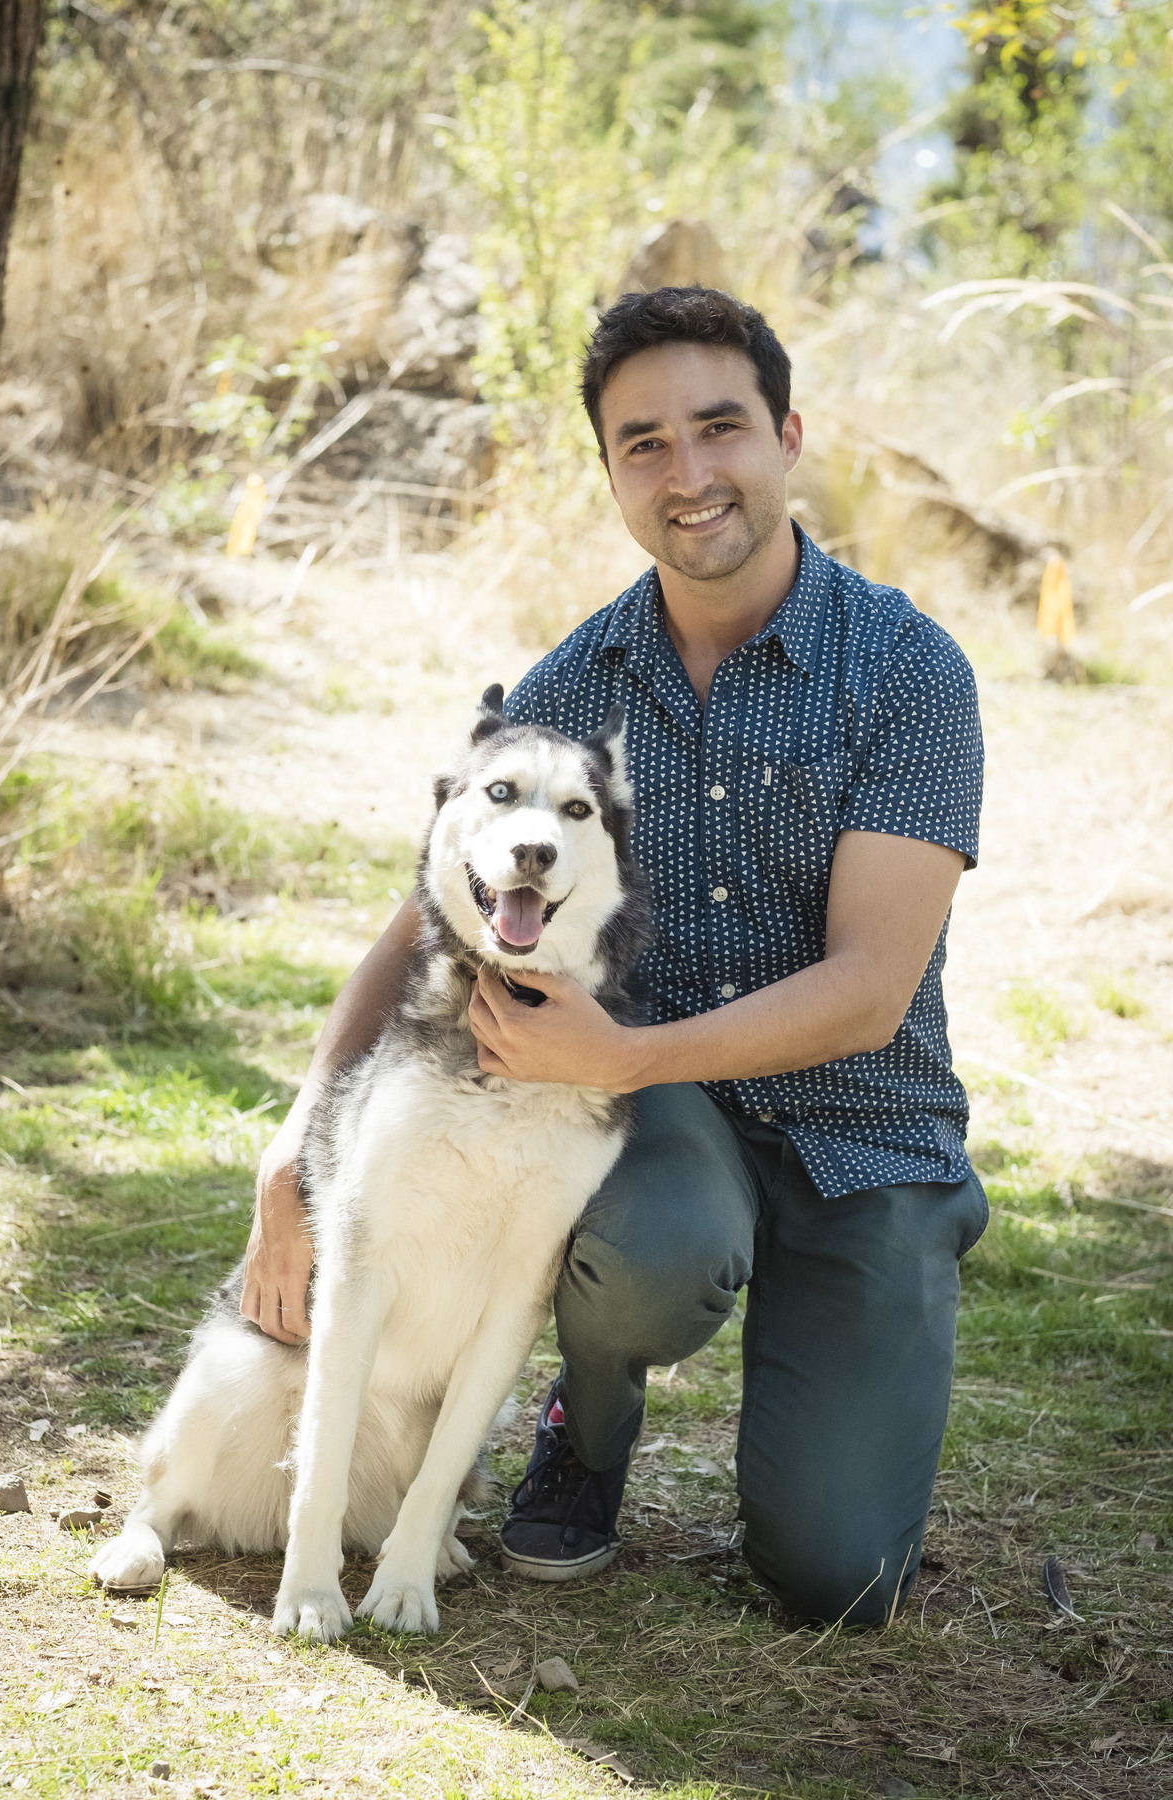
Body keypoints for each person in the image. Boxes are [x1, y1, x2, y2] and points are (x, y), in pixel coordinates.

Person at [242, 285, 987, 1626]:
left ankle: (848, 1356)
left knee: (840, 1577)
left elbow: (872, 992)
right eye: (644, 442)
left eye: (720, 428)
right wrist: (300, 1138)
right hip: (657, 1120)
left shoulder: (908, 670)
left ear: (787, 435)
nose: (689, 474)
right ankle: (586, 1427)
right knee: (644, 1243)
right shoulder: (573, 684)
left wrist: (623, 1049)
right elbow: (429, 915)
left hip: (861, 1126)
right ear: (611, 473)